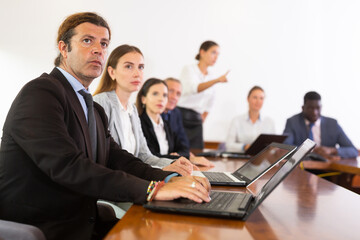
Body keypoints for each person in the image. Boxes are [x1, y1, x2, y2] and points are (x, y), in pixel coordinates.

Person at [0, 12, 210, 240]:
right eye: (87, 40)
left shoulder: (92, 107)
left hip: (85, 221)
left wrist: (168, 179)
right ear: (63, 48)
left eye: (104, 43)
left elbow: (117, 159)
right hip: (47, 227)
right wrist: (152, 190)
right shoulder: (41, 92)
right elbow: (68, 166)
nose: (98, 50)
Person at [93, 45, 193, 176]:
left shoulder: (132, 109)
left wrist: (174, 164)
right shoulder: (101, 102)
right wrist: (161, 170)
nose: (137, 73)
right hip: (111, 183)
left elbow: (144, 156)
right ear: (112, 72)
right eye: (129, 66)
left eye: (140, 67)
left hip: (131, 179)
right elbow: (108, 159)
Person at [177, 40, 229, 149]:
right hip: (181, 115)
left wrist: (203, 116)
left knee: (197, 151)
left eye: (218, 54)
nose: (216, 57)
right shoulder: (189, 69)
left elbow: (211, 101)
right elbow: (195, 88)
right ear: (202, 52)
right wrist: (217, 80)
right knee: (180, 151)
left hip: (196, 119)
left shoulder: (211, 75)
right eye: (213, 52)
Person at [283, 91, 358, 160]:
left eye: (317, 108)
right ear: (303, 108)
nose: (315, 112)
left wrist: (332, 150)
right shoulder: (293, 122)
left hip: (326, 167)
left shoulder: (332, 124)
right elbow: (285, 147)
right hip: (302, 166)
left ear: (321, 107)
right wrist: (310, 150)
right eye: (310, 108)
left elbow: (353, 150)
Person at [162, 77, 214, 167]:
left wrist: (180, 156)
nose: (174, 97)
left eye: (178, 94)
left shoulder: (176, 112)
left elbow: (184, 146)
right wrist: (175, 157)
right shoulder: (152, 115)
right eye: (171, 91)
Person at [137, 78, 190, 159]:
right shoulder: (139, 123)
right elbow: (149, 156)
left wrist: (177, 156)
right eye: (155, 94)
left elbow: (185, 150)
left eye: (165, 95)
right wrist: (174, 158)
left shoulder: (166, 124)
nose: (161, 99)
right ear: (143, 99)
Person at [225, 86, 275, 152]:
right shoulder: (236, 120)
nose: (258, 101)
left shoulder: (269, 122)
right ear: (248, 99)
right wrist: (244, 147)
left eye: (261, 98)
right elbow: (229, 145)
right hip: (240, 159)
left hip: (262, 160)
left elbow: (273, 147)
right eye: (255, 97)